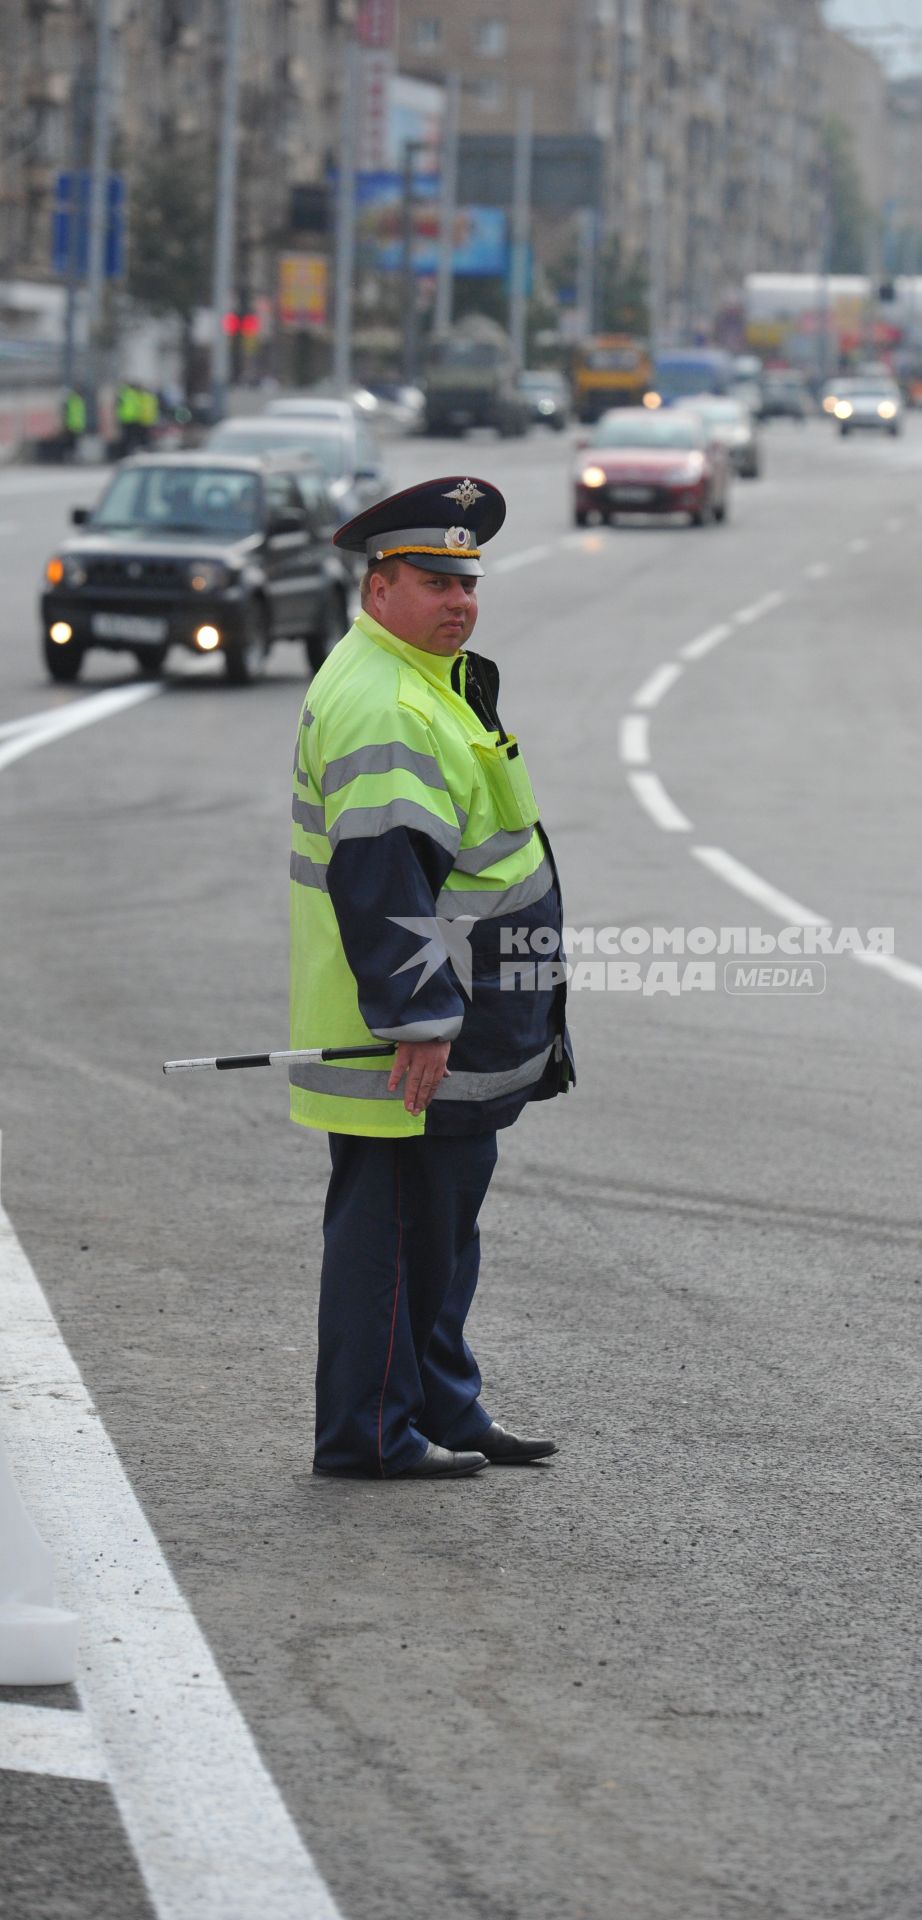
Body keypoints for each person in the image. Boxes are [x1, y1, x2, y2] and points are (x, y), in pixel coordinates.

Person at [290, 476, 574, 1480]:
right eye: (432, 582)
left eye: (467, 582)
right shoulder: (386, 706)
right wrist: (417, 1017)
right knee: (397, 1241)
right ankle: (369, 1434)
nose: (458, 601)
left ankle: (443, 1405)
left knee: (438, 1234)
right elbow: (377, 880)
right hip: (412, 1036)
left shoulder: (421, 678)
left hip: (458, 1018)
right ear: (378, 589)